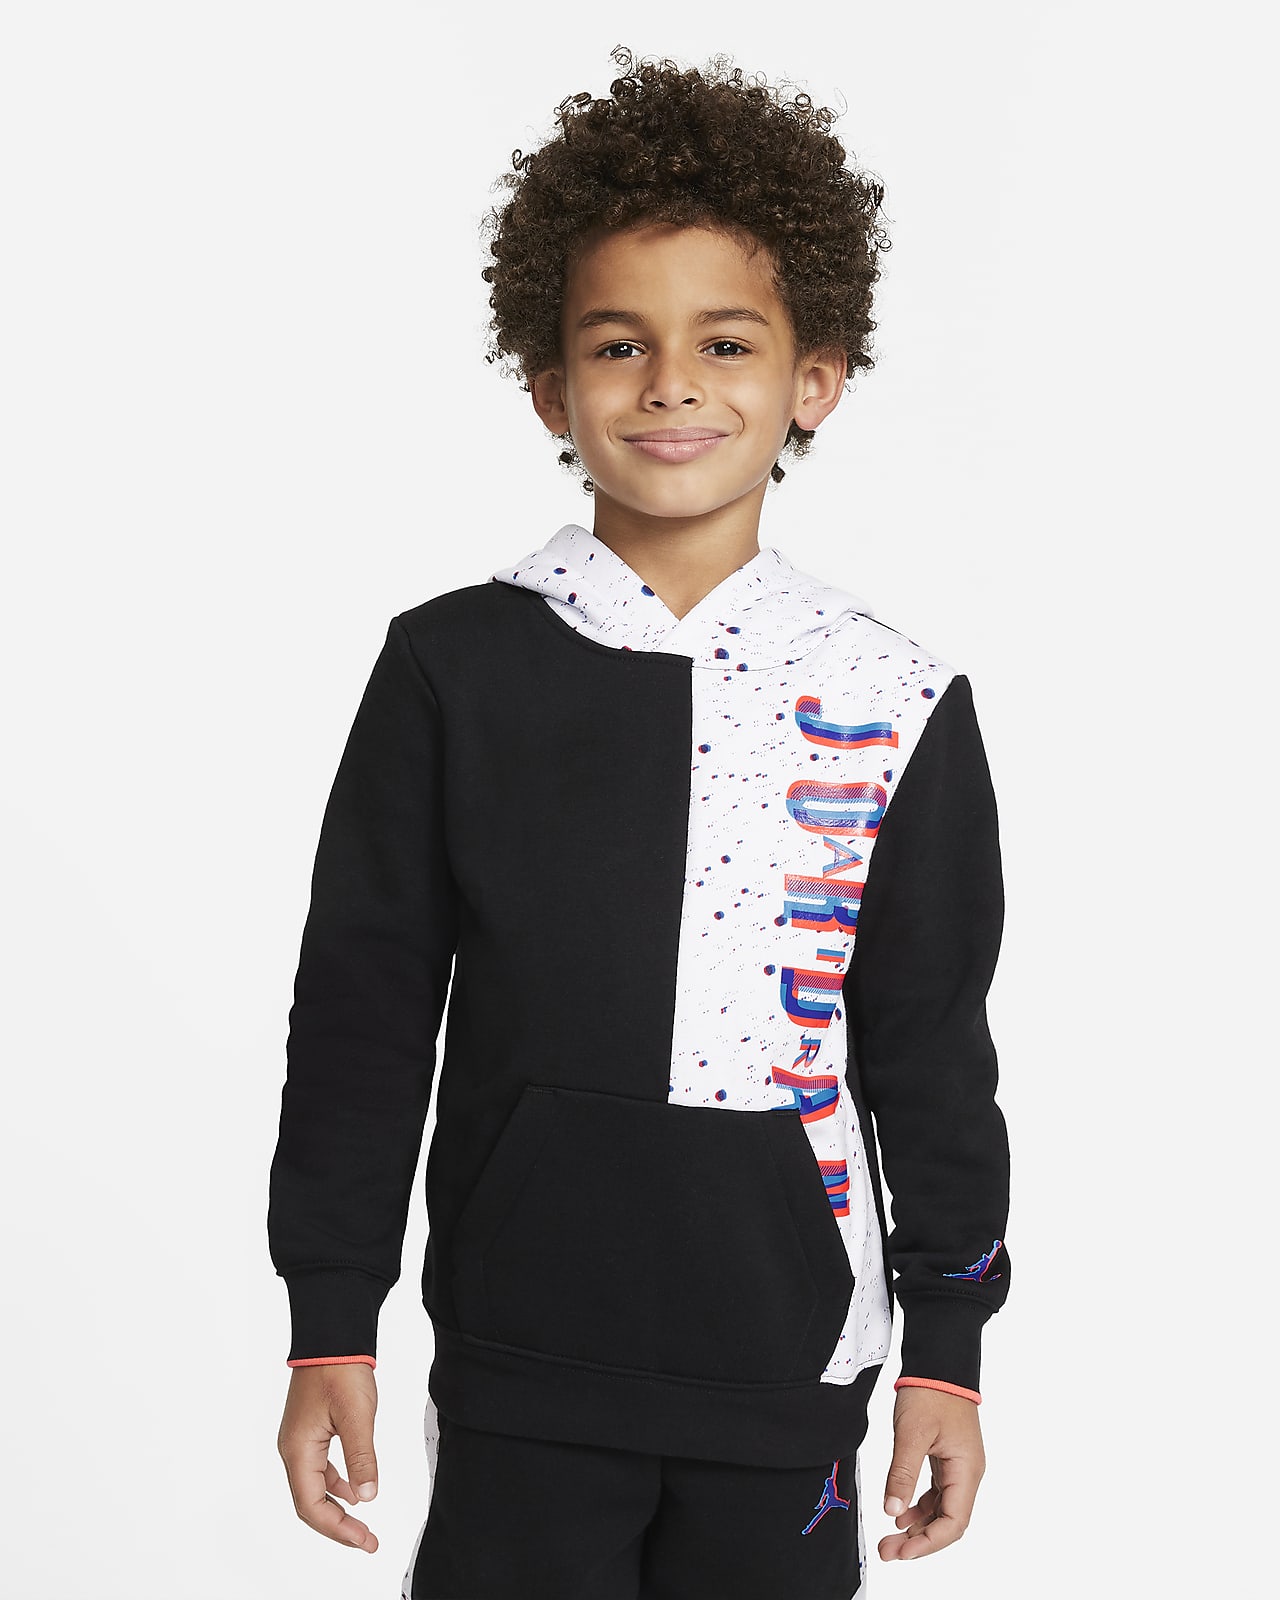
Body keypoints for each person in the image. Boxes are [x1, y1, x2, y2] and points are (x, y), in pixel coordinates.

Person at [269, 44, 1012, 1600]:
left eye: (726, 342)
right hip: (525, 1356)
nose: (671, 383)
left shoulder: (894, 698)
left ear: (813, 381)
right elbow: (362, 1017)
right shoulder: (454, 669)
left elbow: (932, 1052)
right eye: (619, 344)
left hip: (786, 1361)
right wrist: (332, 1316)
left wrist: (949, 1346)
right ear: (552, 387)